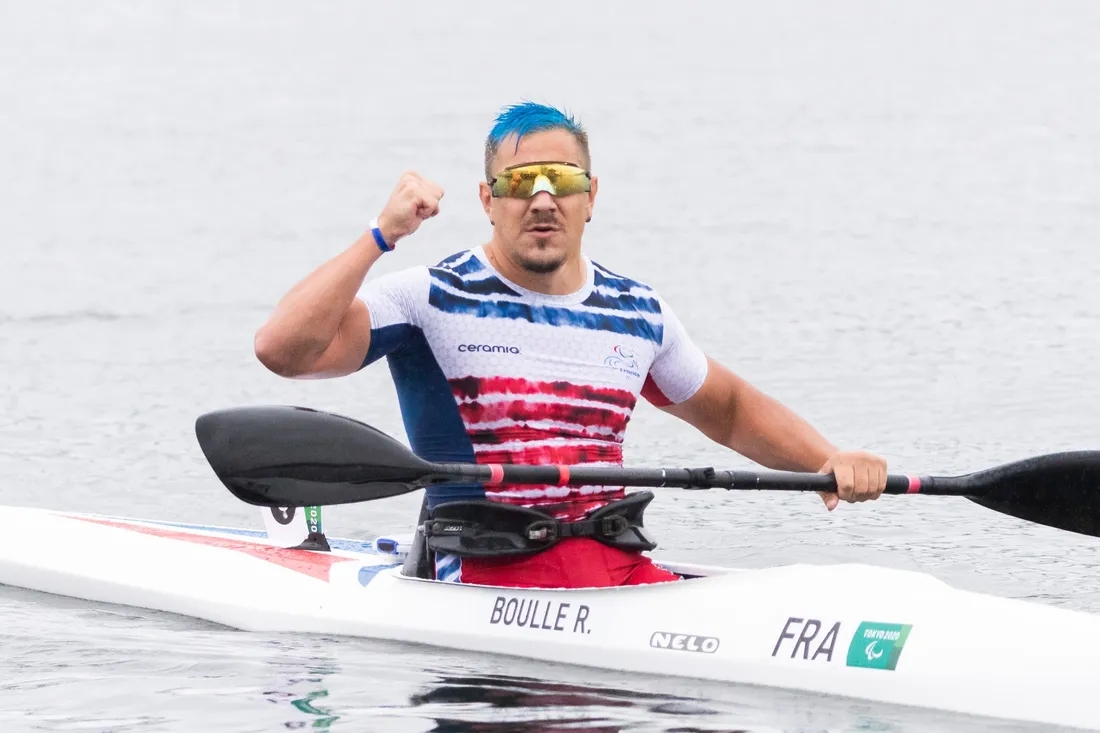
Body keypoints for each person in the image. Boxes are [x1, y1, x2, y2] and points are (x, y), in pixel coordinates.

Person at [253, 102, 888, 588]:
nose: (542, 199)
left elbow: (730, 411)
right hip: (481, 572)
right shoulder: (429, 297)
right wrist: (381, 235)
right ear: (488, 200)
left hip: (614, 562)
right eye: (519, 182)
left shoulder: (637, 312)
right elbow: (284, 350)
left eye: (560, 179)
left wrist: (827, 461)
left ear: (590, 197)